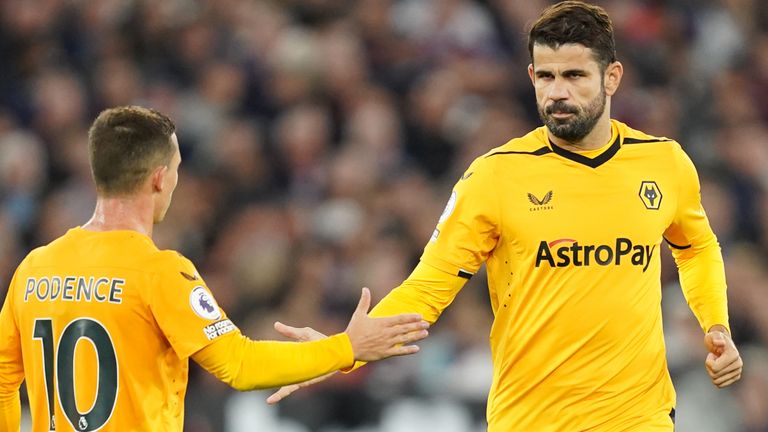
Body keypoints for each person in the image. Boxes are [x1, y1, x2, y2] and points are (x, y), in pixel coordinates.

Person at [267, 1, 743, 430]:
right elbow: (429, 287)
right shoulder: (495, 177)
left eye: (574, 76)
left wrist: (715, 326)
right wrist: (341, 351)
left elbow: (697, 246)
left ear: (612, 77)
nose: (557, 92)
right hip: (530, 419)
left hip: (638, 416)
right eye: (545, 76)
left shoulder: (665, 164)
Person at [0, 106, 430, 431]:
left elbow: (2, 377)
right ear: (158, 178)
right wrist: (347, 347)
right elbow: (240, 364)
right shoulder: (158, 271)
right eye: (177, 170)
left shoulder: (34, 267)